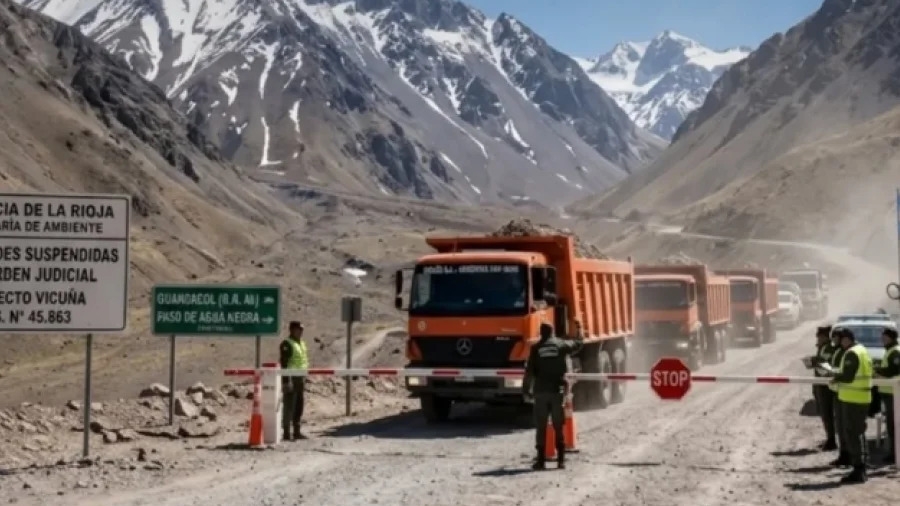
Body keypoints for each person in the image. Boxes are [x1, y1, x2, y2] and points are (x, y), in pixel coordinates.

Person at [522, 321, 584, 470]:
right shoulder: (561, 345)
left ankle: (541, 461)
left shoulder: (536, 348)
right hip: (557, 392)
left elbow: (529, 372)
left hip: (540, 392)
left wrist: (526, 391)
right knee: (558, 425)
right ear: (553, 332)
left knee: (541, 427)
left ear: (540, 333)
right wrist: (579, 329)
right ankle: (561, 461)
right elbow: (578, 343)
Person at [829, 327, 874, 484]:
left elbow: (848, 377)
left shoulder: (852, 353)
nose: (838, 343)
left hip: (853, 399)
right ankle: (861, 467)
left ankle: (859, 470)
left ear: (846, 339)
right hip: (859, 398)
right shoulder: (862, 350)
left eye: (840, 339)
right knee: (857, 433)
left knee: (853, 434)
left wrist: (835, 375)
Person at [279, 321, 309, 441]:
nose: (301, 332)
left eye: (302, 329)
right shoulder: (287, 344)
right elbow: (284, 363)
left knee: (299, 406)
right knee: (289, 406)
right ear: (292, 330)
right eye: (298, 329)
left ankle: (297, 431)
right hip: (291, 377)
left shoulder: (301, 343)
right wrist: (286, 381)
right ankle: (286, 433)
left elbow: (303, 361)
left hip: (300, 378)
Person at [875, 327, 900, 464]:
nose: (882, 340)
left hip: (894, 394)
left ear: (892, 338)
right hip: (889, 393)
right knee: (891, 425)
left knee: (894, 425)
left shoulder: (895, 351)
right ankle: (894, 453)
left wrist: (877, 370)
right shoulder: (890, 351)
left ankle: (895, 454)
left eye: (885, 337)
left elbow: (893, 370)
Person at [810, 325, 837, 451]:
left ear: (825, 337)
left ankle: (831, 440)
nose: (818, 339)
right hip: (820, 383)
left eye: (820, 337)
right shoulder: (823, 347)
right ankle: (829, 438)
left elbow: (827, 367)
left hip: (826, 385)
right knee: (824, 413)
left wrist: (816, 362)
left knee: (827, 413)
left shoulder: (829, 348)